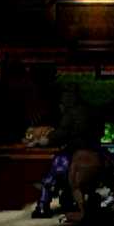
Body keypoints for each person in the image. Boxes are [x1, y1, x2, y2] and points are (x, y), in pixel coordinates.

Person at [30, 85, 105, 218]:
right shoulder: (92, 110)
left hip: (76, 150)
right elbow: (101, 131)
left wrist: (46, 140)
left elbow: (61, 134)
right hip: (95, 150)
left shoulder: (70, 113)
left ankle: (43, 205)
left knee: (56, 168)